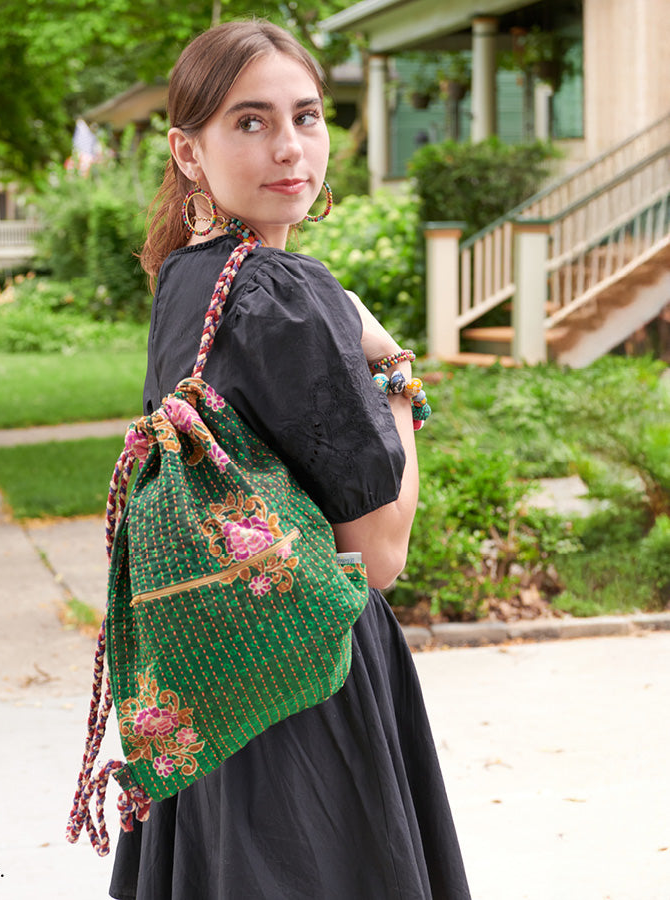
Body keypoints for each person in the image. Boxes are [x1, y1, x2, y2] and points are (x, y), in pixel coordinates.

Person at [109, 20, 471, 900]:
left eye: (306, 116)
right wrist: (395, 374)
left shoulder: (185, 280)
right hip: (308, 691)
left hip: (215, 688)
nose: (290, 148)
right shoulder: (291, 296)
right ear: (187, 151)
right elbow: (379, 556)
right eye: (251, 121)